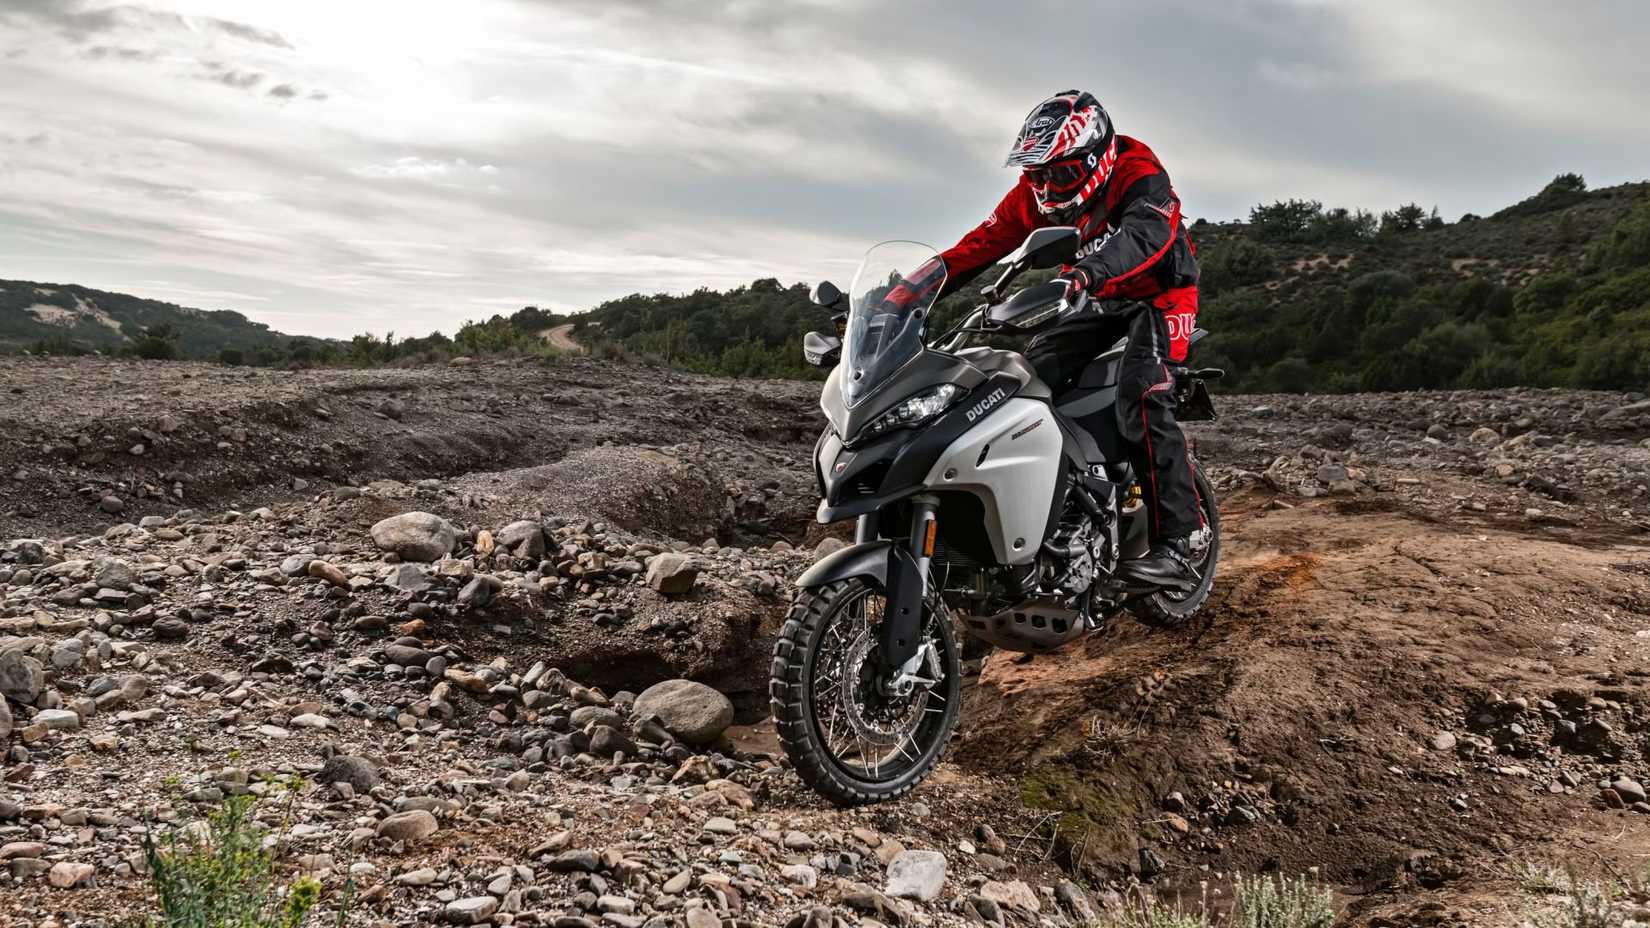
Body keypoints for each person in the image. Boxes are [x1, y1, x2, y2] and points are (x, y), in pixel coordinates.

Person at [935, 90, 1203, 590]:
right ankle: (1052, 514)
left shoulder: (1138, 172)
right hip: (1093, 298)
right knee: (1025, 386)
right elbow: (977, 246)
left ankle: (1180, 543)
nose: (1044, 184)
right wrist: (907, 292)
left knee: (1143, 393)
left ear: (1096, 159)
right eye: (1036, 173)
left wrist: (1081, 277)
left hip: (1161, 296)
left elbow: (1145, 237)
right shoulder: (1032, 194)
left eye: (1057, 172)